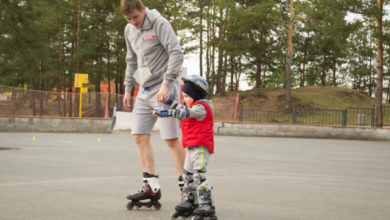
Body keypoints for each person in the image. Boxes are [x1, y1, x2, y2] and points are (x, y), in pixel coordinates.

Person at [120, 0, 186, 205]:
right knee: (139, 136)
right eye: (129, 19)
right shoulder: (129, 30)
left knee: (171, 139)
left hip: (164, 88)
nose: (133, 22)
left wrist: (167, 84)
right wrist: (128, 88)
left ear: (143, 9)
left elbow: (176, 53)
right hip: (145, 90)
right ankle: (151, 186)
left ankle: (188, 189)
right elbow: (131, 60)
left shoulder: (159, 23)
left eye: (136, 17)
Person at [153, 75, 217, 219]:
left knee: (199, 175)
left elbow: (183, 113)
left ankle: (206, 204)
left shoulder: (202, 108)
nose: (184, 99)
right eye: (183, 96)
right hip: (190, 147)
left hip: (201, 147)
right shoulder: (192, 105)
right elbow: (180, 107)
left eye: (187, 96)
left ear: (196, 95)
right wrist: (167, 101)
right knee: (187, 175)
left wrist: (163, 113)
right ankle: (190, 201)